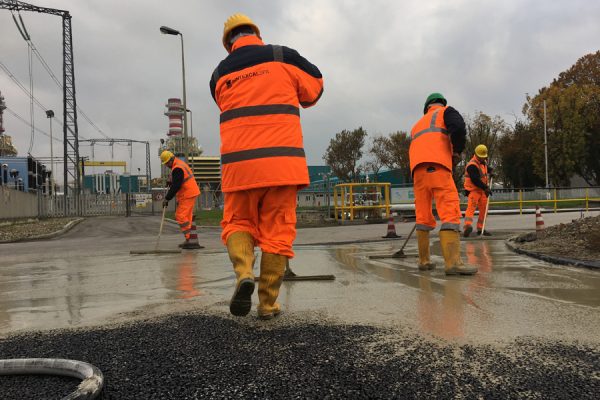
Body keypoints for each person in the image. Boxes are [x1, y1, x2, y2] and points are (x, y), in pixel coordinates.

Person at [210, 13, 323, 319]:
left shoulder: (219, 73)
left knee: (237, 223)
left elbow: (224, 104)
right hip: (282, 165)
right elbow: (315, 89)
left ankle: (244, 272)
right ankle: (268, 304)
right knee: (277, 232)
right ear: (256, 33)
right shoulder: (283, 56)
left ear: (228, 43)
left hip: (240, 167)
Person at [408, 93, 477, 276]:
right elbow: (459, 127)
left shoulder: (416, 125)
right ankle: (453, 263)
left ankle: (424, 261)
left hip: (417, 173)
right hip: (438, 167)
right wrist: (457, 151)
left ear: (426, 107)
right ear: (440, 103)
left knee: (422, 216)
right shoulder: (445, 112)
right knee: (449, 211)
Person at [160, 150, 202, 249]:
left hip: (187, 194)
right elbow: (178, 182)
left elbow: (176, 186)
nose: (166, 165)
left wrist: (167, 198)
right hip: (189, 193)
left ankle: (189, 238)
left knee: (181, 215)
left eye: (166, 163)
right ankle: (190, 239)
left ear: (170, 160)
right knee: (187, 216)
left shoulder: (177, 168)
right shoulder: (179, 164)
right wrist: (171, 183)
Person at [463, 144, 492, 237]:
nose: (483, 159)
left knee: (484, 209)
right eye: (481, 157)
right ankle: (467, 227)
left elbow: (486, 169)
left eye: (484, 157)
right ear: (476, 154)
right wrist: (486, 188)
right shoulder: (472, 165)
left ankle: (481, 228)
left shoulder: (483, 162)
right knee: (471, 208)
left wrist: (491, 171)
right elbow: (475, 180)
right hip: (473, 190)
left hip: (482, 191)